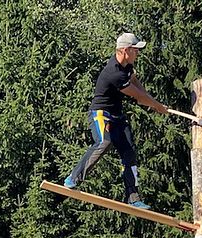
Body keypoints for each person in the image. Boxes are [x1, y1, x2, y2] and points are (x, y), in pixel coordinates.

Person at [64, 33, 168, 209]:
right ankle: (73, 178)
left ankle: (133, 198)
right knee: (104, 142)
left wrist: (149, 99)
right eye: (136, 50)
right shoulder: (113, 73)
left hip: (118, 115)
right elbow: (138, 96)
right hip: (101, 113)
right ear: (125, 50)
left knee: (129, 153)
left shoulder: (127, 66)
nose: (138, 53)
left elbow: (134, 82)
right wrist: (156, 106)